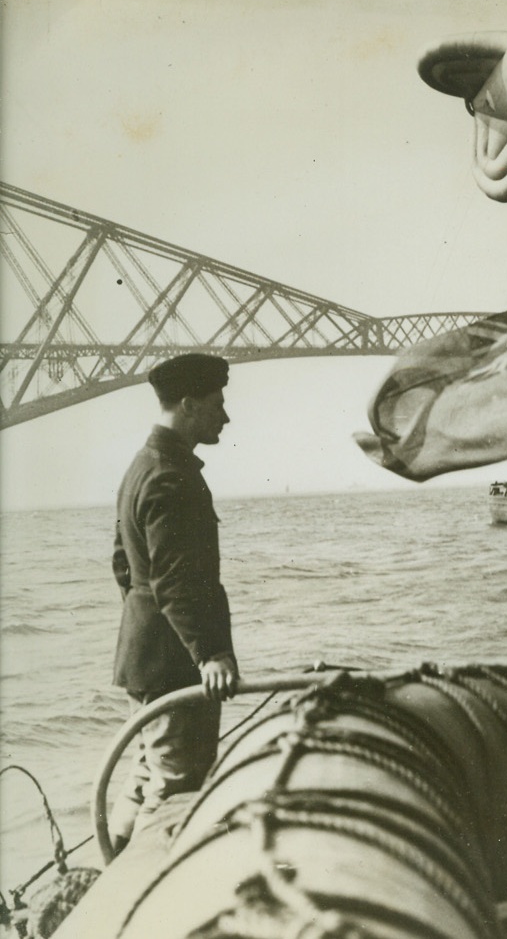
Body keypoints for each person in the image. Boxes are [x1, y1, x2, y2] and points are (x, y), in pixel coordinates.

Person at [110, 353, 239, 850]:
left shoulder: (142, 466)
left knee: (147, 774)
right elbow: (175, 581)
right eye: (217, 404)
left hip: (146, 660)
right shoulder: (170, 475)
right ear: (188, 404)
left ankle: (105, 874)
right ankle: (133, 907)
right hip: (175, 665)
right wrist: (208, 653)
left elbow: (123, 563)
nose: (224, 416)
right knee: (177, 791)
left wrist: (147, 625)